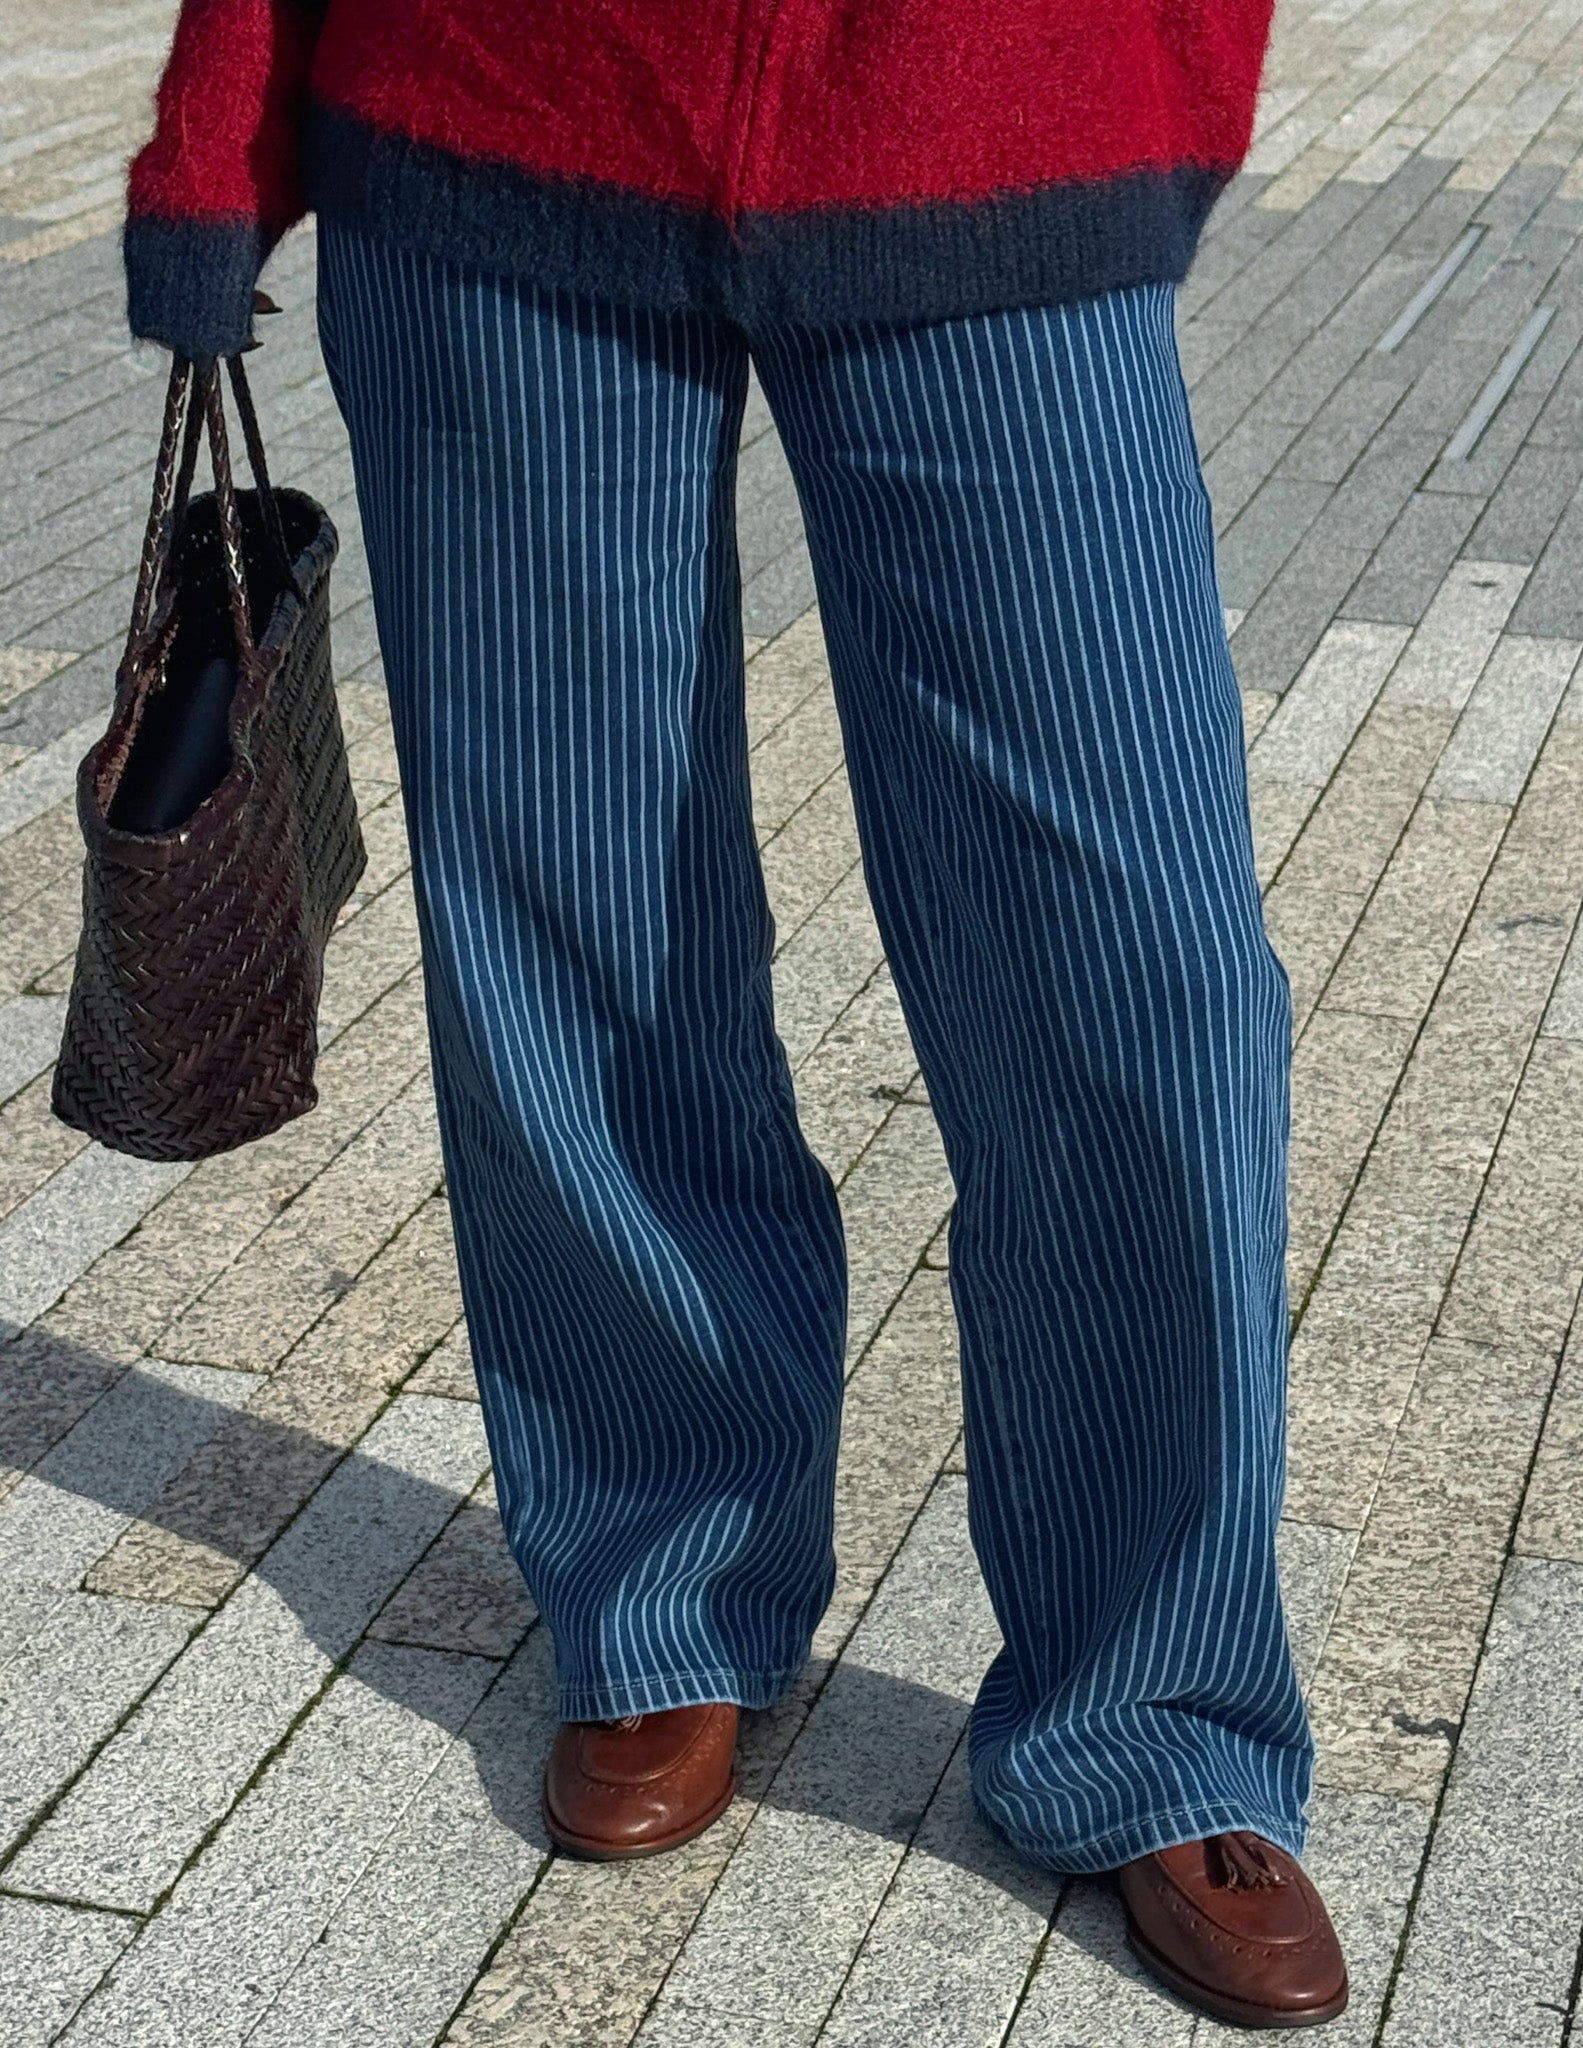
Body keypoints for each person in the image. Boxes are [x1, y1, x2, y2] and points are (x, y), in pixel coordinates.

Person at [122, 0, 1348, 2027]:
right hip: (495, 109)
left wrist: (1153, 87)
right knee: (575, 925)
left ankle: (1162, 1700)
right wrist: (217, 134)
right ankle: (663, 1584)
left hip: (991, 101)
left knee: (1139, 974)